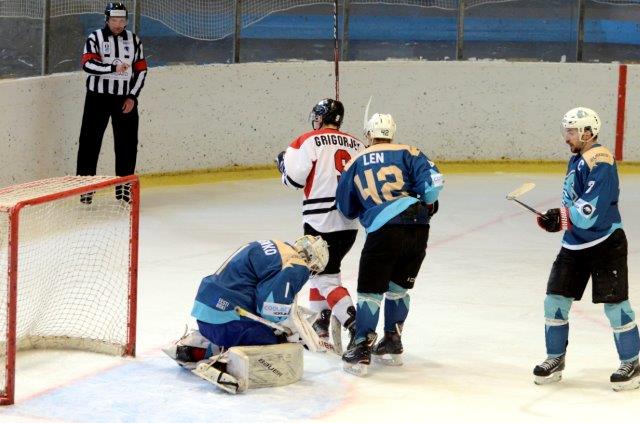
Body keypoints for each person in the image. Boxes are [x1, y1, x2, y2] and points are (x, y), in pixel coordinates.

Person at [533, 107, 640, 391]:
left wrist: (563, 217)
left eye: (571, 131)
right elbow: (572, 204)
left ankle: (632, 362)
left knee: (616, 306)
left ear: (588, 132)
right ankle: (555, 358)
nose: (566, 137)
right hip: (574, 243)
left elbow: (592, 207)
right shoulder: (577, 159)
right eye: (566, 131)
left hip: (606, 242)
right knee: (554, 301)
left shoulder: (600, 159)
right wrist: (556, 220)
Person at [335, 113, 444, 375]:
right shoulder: (410, 152)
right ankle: (392, 342)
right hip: (418, 226)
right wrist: (426, 201)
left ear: (368, 134)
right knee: (399, 290)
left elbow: (346, 208)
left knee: (370, 292)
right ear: (392, 133)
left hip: (384, 230)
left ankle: (361, 348)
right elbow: (433, 185)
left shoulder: (356, 161)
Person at [276, 99, 365, 347]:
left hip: (319, 220)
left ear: (322, 116)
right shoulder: (358, 144)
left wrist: (282, 165)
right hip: (349, 221)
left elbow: (295, 180)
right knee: (323, 270)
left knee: (324, 277)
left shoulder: (306, 140)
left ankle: (357, 327)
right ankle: (320, 322)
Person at [77, 2, 148, 202]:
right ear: (107, 19)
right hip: (97, 98)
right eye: (114, 20)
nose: (118, 24)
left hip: (124, 100)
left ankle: (124, 191)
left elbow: (141, 70)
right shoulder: (95, 37)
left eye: (122, 20)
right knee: (89, 143)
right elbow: (87, 64)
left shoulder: (134, 40)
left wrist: (132, 96)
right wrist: (111, 68)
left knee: (127, 145)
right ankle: (85, 192)